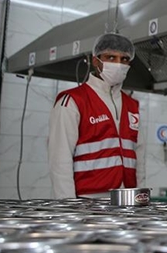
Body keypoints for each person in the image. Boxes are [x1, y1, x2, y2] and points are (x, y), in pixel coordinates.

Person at [48, 33, 140, 198]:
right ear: (95, 60)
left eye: (124, 59)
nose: (118, 64)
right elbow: (60, 160)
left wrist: (139, 201)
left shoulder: (133, 106)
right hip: (87, 200)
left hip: (126, 199)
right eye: (111, 57)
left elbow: (140, 159)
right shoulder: (73, 101)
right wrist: (68, 208)